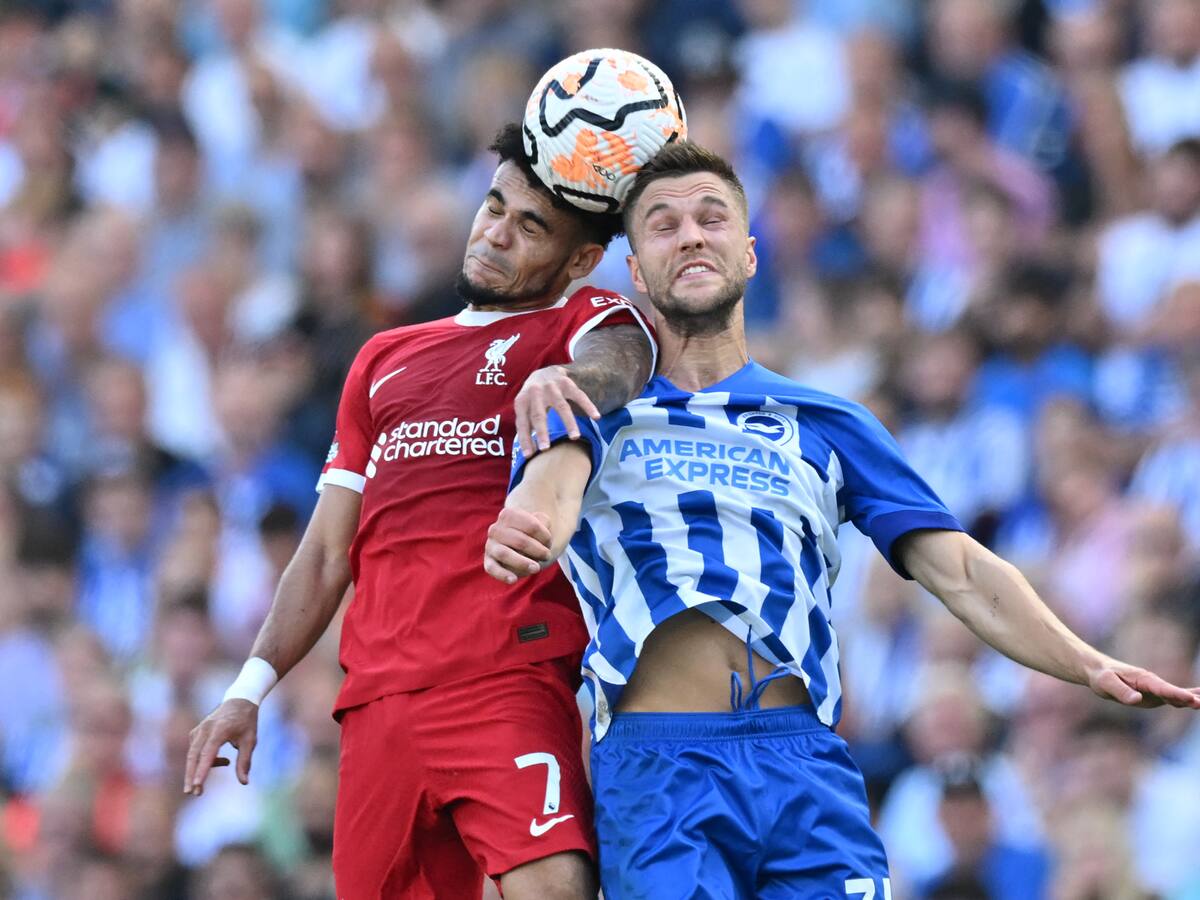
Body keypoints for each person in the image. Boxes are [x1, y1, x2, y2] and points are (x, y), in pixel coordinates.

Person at [484, 141, 1200, 898]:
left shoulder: (826, 418)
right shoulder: (598, 409)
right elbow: (548, 499)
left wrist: (1088, 662)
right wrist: (529, 523)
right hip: (661, 770)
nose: (691, 234)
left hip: (807, 765)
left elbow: (959, 569)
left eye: (711, 217)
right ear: (635, 271)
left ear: (750, 253)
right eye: (662, 224)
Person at [183, 122, 656, 900]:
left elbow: (621, 361)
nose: (497, 234)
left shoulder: (579, 325)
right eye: (494, 206)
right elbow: (328, 551)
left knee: (554, 886)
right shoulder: (383, 359)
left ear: (579, 260)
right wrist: (248, 687)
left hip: (506, 674)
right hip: (377, 706)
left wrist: (567, 386)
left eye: (530, 226)